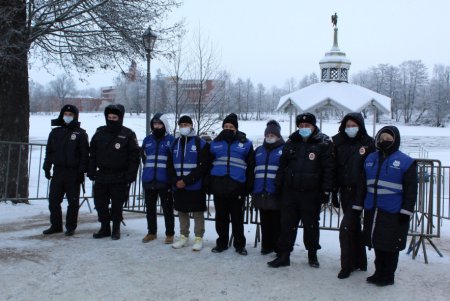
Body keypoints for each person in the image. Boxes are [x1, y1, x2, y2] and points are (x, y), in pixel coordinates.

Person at [268, 113, 334, 268]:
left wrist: (326, 190)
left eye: (307, 126)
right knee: (287, 224)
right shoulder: (291, 142)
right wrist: (279, 185)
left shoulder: (323, 142)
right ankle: (284, 255)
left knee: (311, 225)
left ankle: (312, 254)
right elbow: (282, 166)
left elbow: (328, 169)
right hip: (290, 191)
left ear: (313, 126)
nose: (304, 128)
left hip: (311, 193)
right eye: (301, 126)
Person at [355, 125, 417, 286]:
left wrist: (406, 210)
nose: (384, 141)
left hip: (393, 211)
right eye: (382, 138)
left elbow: (411, 190)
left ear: (395, 140)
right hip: (372, 208)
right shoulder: (370, 158)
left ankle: (388, 276)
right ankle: (378, 272)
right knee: (377, 242)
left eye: (388, 139)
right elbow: (362, 184)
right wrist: (358, 205)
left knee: (390, 245)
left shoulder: (406, 162)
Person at [332, 112, 375, 279]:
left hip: (361, 191)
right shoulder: (338, 142)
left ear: (360, 126)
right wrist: (333, 191)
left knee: (346, 227)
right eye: (348, 126)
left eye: (354, 125)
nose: (351, 128)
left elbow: (370, 168)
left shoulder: (368, 143)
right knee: (354, 226)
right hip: (345, 191)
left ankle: (346, 265)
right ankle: (360, 261)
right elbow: (335, 168)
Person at [88, 104, 140, 240]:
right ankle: (105, 227)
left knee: (117, 204)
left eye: (114, 117)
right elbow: (92, 153)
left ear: (120, 118)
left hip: (119, 176)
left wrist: (131, 174)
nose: (111, 119)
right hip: (102, 175)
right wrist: (91, 169)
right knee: (100, 203)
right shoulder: (99, 133)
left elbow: (134, 157)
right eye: (109, 117)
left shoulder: (128, 134)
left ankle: (115, 228)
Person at [209, 113, 255, 255]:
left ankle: (239, 245)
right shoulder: (215, 143)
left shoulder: (246, 143)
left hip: (237, 187)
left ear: (236, 128)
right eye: (226, 126)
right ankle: (221, 243)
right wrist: (210, 184)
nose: (228, 128)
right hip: (219, 186)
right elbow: (207, 164)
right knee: (221, 218)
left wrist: (248, 186)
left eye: (231, 126)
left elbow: (251, 167)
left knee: (237, 219)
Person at [42, 104, 89, 236]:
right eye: (65, 114)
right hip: (58, 171)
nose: (67, 117)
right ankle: (56, 225)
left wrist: (81, 172)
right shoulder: (55, 132)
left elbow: (84, 155)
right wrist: (47, 167)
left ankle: (70, 226)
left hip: (73, 172)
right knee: (53, 200)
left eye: (70, 115)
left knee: (73, 202)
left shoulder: (80, 134)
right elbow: (49, 151)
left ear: (75, 117)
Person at [168, 115, 210, 251]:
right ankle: (183, 237)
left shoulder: (200, 143)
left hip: (195, 185)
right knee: (181, 212)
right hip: (178, 186)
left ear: (191, 126)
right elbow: (169, 166)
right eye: (182, 125)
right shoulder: (174, 143)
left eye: (186, 124)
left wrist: (186, 180)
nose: (184, 127)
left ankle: (198, 238)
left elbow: (203, 166)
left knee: (198, 212)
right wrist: (175, 181)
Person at [141, 113, 175, 244]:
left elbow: (173, 160)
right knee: (150, 209)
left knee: (167, 209)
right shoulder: (147, 140)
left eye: (159, 123)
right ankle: (151, 232)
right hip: (149, 179)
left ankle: (170, 234)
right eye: (155, 123)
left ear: (164, 125)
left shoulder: (171, 140)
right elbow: (144, 157)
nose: (157, 126)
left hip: (164, 181)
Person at [252, 120, 285, 255]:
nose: (270, 137)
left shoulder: (284, 149)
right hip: (260, 191)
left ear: (278, 136)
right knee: (264, 221)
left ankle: (278, 247)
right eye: (268, 135)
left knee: (277, 222)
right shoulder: (259, 150)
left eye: (273, 135)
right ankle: (266, 246)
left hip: (276, 191)